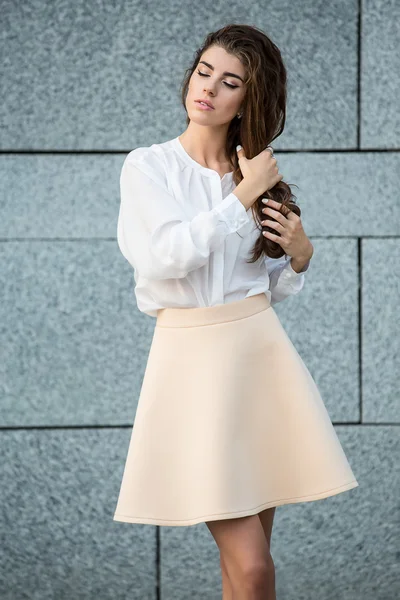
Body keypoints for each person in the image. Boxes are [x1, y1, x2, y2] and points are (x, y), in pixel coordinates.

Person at [113, 23, 358, 600]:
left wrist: (299, 257)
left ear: (248, 99)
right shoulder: (148, 167)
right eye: (204, 72)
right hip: (190, 363)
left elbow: (256, 288)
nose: (209, 90)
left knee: (243, 567)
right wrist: (242, 197)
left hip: (258, 357)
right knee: (253, 568)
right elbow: (164, 257)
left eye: (229, 83)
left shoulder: (256, 177)